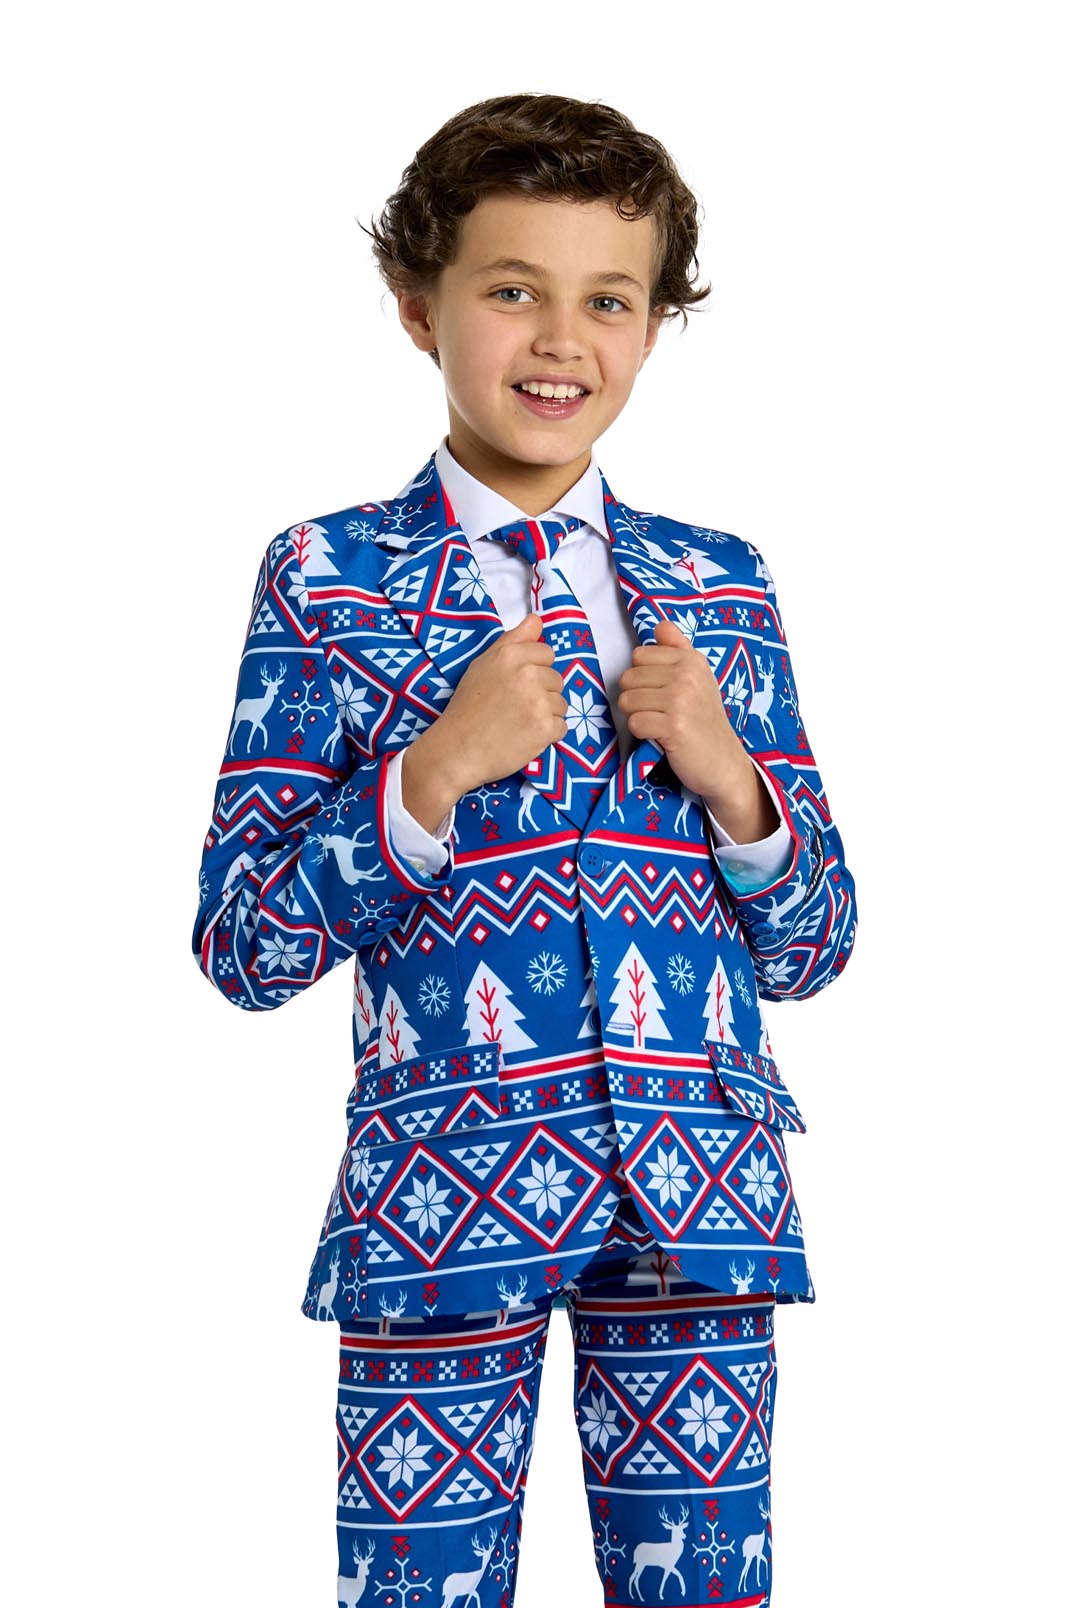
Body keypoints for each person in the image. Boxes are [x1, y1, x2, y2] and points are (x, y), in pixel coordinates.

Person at [191, 92, 857, 1608]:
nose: (562, 341)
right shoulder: (328, 577)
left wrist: (730, 778)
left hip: (699, 1203)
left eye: (607, 300)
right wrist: (430, 772)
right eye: (513, 291)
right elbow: (242, 946)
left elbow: (817, 942)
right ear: (418, 308)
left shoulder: (721, 587)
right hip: (441, 1201)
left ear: (653, 324)